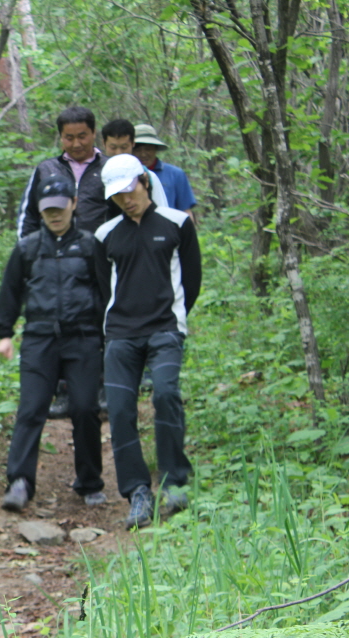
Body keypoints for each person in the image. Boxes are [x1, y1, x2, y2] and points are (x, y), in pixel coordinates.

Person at [94, 154, 202, 528]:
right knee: (120, 409)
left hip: (165, 329)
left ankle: (174, 482)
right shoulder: (105, 235)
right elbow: (103, 287)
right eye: (117, 195)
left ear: (144, 181)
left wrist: (174, 316)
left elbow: (192, 280)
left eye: (130, 190)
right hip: (120, 334)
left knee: (166, 394)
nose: (125, 200)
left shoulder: (177, 224)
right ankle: (137, 492)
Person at [0, 175, 106, 512]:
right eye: (47, 210)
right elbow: (10, 292)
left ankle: (89, 482)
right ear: (39, 211)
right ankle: (19, 481)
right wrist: (4, 334)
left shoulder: (90, 246)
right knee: (31, 409)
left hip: (83, 338)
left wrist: (108, 336)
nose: (54, 215)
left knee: (85, 408)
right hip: (39, 339)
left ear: (73, 204)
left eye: (60, 207)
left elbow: (106, 294)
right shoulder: (27, 248)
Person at [17, 106, 111, 238]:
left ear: (94, 133)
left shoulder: (109, 168)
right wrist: (27, 248)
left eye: (82, 137)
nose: (76, 144)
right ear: (61, 137)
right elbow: (29, 216)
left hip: (99, 247)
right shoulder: (46, 169)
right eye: (69, 138)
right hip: (54, 248)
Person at [132, 123, 197, 219]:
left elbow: (186, 211)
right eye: (138, 150)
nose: (143, 154)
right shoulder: (128, 176)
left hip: (170, 226)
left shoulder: (175, 174)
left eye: (148, 149)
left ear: (156, 149)